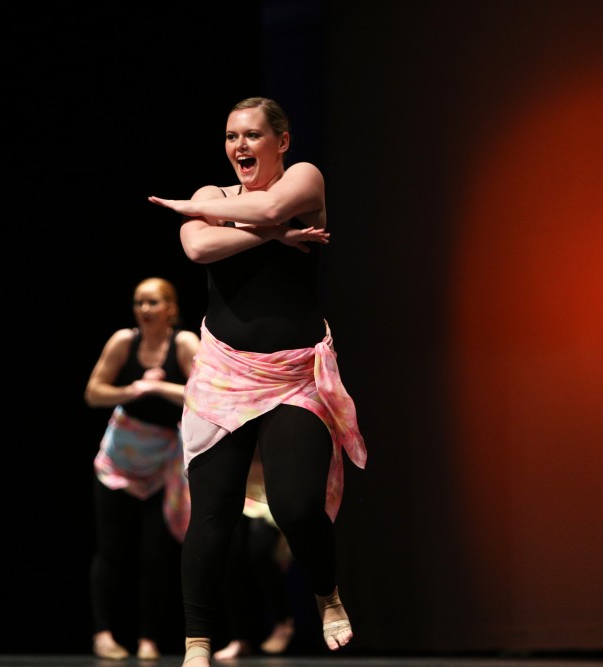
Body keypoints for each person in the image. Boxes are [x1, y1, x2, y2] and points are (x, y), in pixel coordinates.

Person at [148, 96, 367, 667]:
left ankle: (327, 594)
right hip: (224, 372)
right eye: (230, 137)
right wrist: (272, 235)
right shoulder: (214, 195)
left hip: (296, 374)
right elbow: (196, 246)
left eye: (251, 135)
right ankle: (197, 644)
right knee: (213, 513)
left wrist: (258, 222)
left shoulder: (304, 178)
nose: (239, 147)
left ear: (283, 140)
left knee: (296, 508)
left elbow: (273, 207)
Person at [83, 277, 201, 661]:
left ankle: (149, 639)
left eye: (152, 302)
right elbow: (94, 392)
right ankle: (104, 634)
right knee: (112, 550)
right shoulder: (124, 341)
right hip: (118, 461)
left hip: (161, 462)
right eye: (138, 302)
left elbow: (207, 392)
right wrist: (133, 389)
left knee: (155, 554)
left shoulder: (183, 344)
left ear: (171, 307)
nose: (144, 309)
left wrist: (159, 388)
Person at [213, 501, 296, 659]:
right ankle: (239, 637)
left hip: (266, 495)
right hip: (238, 493)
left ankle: (283, 619)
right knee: (230, 554)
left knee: (260, 547)